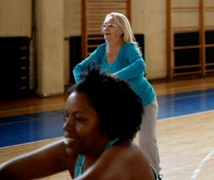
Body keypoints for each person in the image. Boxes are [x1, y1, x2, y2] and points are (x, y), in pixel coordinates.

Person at [0, 69, 159, 179]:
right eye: (66, 116)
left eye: (79, 119)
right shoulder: (73, 152)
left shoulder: (127, 155)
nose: (66, 126)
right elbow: (6, 172)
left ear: (111, 123)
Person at [72, 12, 161, 174]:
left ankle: (154, 174)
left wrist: (115, 76)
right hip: (123, 107)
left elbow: (140, 66)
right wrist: (84, 87)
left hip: (145, 102)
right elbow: (78, 69)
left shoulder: (129, 49)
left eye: (111, 25)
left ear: (121, 30)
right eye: (105, 25)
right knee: (114, 143)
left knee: (147, 141)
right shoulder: (101, 51)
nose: (106, 28)